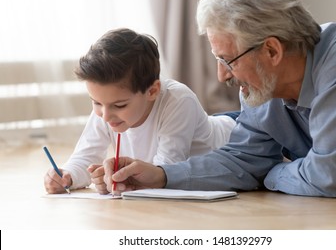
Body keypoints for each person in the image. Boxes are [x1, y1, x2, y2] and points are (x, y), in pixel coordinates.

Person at [102, 0, 336, 198]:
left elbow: (333, 176)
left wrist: (274, 173)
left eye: (228, 60)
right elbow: (243, 160)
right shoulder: (264, 88)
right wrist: (161, 175)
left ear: (272, 51)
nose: (222, 76)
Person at [43, 28, 236, 194]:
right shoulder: (107, 107)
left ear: (152, 91)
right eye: (96, 103)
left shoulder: (178, 101)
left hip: (235, 135)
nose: (105, 115)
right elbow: (85, 157)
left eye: (119, 106)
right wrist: (66, 177)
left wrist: (116, 179)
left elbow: (165, 171)